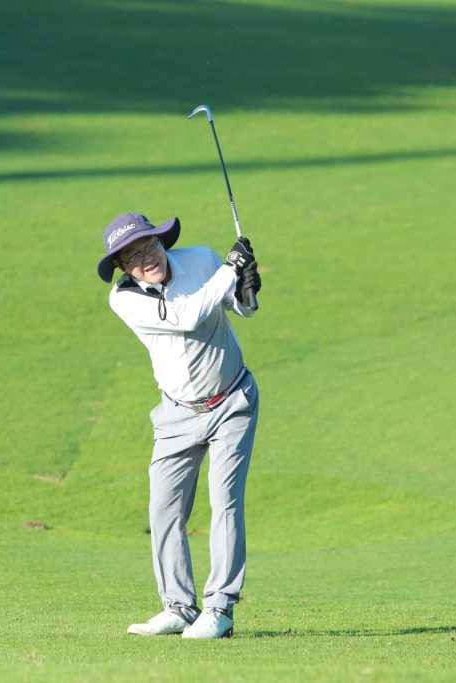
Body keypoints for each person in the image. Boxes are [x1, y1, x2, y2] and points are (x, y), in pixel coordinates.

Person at [96, 211, 262, 639]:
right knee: (164, 509)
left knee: (225, 501)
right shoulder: (124, 299)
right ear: (122, 267)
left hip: (232, 401)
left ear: (161, 241)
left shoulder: (202, 259)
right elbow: (186, 316)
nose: (146, 259)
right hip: (176, 413)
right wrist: (231, 270)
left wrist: (246, 286)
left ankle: (220, 609)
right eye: (132, 256)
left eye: (149, 246)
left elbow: (238, 307)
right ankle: (179, 607)